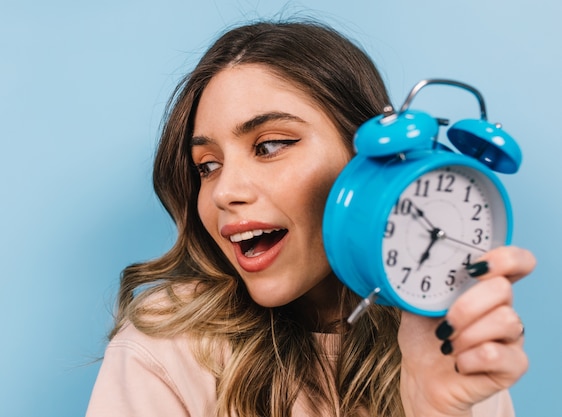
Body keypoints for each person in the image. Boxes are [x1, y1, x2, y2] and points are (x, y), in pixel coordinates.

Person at [86, 19, 536, 417]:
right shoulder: (167, 349)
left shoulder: (454, 345)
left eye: (270, 145)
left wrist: (436, 410)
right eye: (207, 166)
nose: (224, 193)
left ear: (364, 162)